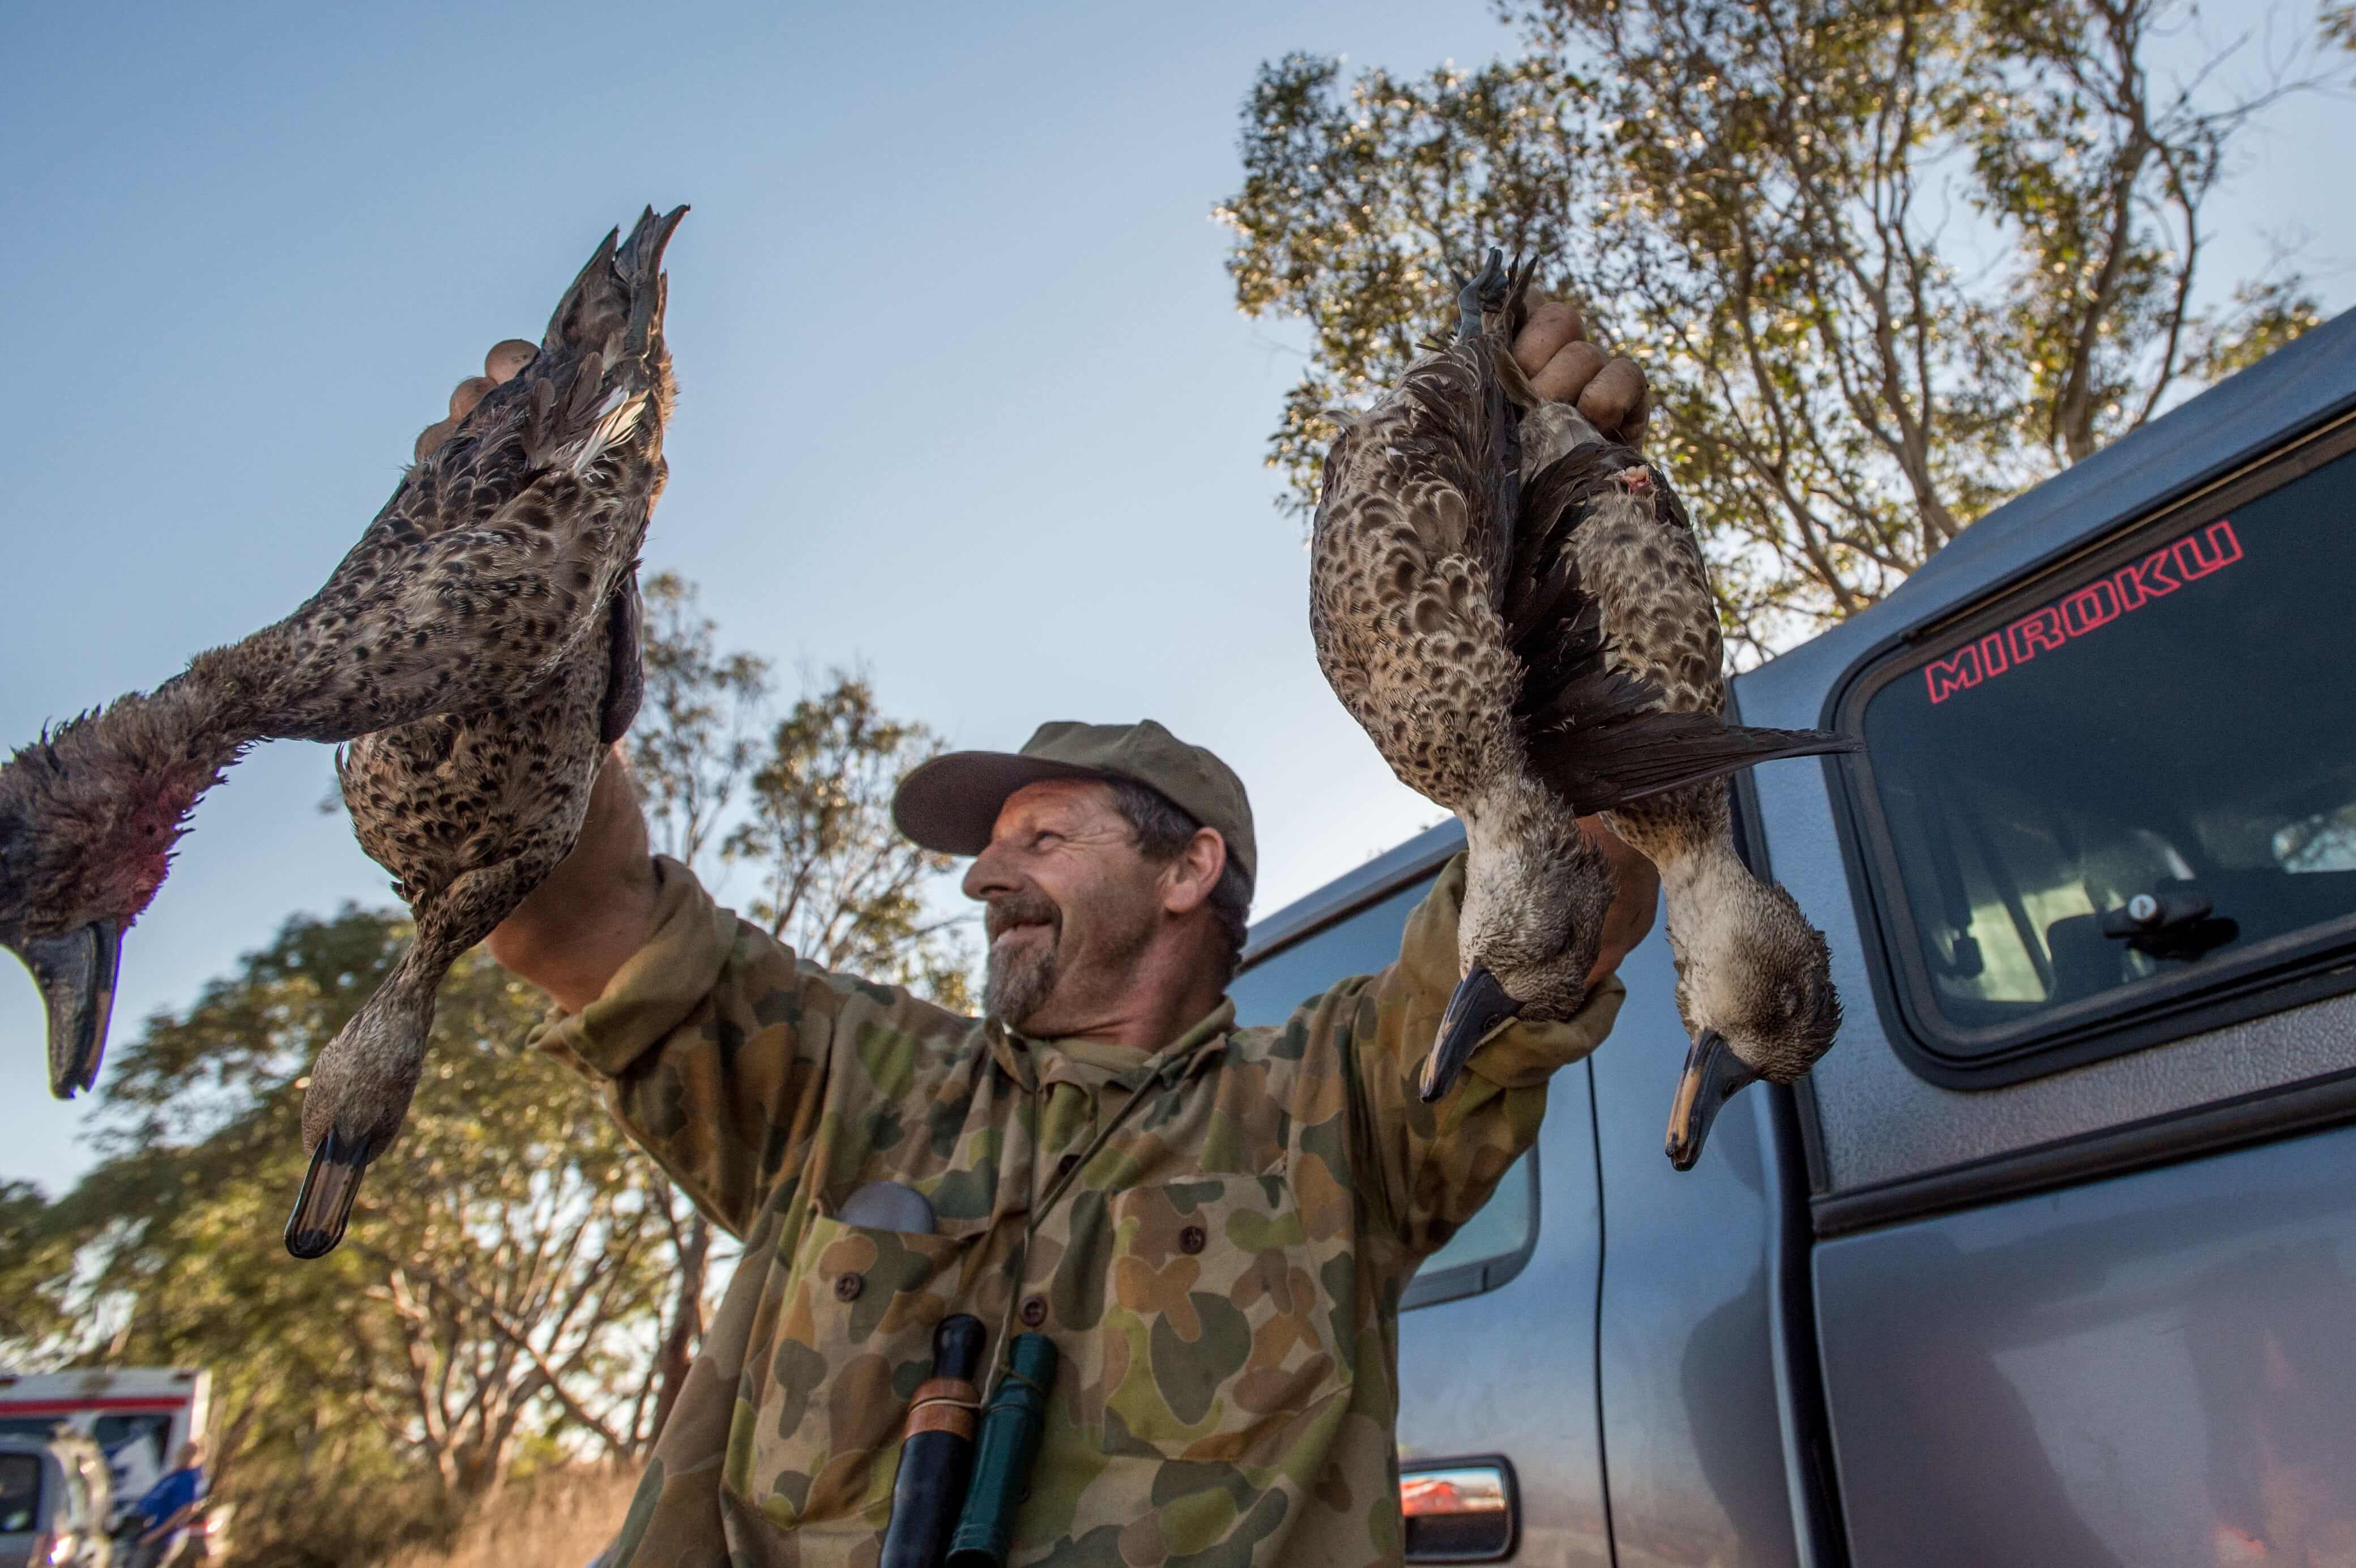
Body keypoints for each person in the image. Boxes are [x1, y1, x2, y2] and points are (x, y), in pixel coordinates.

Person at [454, 298, 1660, 1564]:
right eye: (989, 847)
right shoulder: (847, 1084)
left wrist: (1584, 529)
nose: (981, 875)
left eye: (1039, 839)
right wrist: (540, 580)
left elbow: (1574, 880)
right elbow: (566, 912)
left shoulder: (1340, 1104)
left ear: (1189, 867)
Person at [126, 1441, 204, 1568]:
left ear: (198, 1458)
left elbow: (186, 1509)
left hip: (159, 1540)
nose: (184, 1456)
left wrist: (155, 1535)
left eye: (189, 1454)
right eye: (184, 1452)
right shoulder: (174, 1475)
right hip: (144, 1534)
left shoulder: (188, 1479)